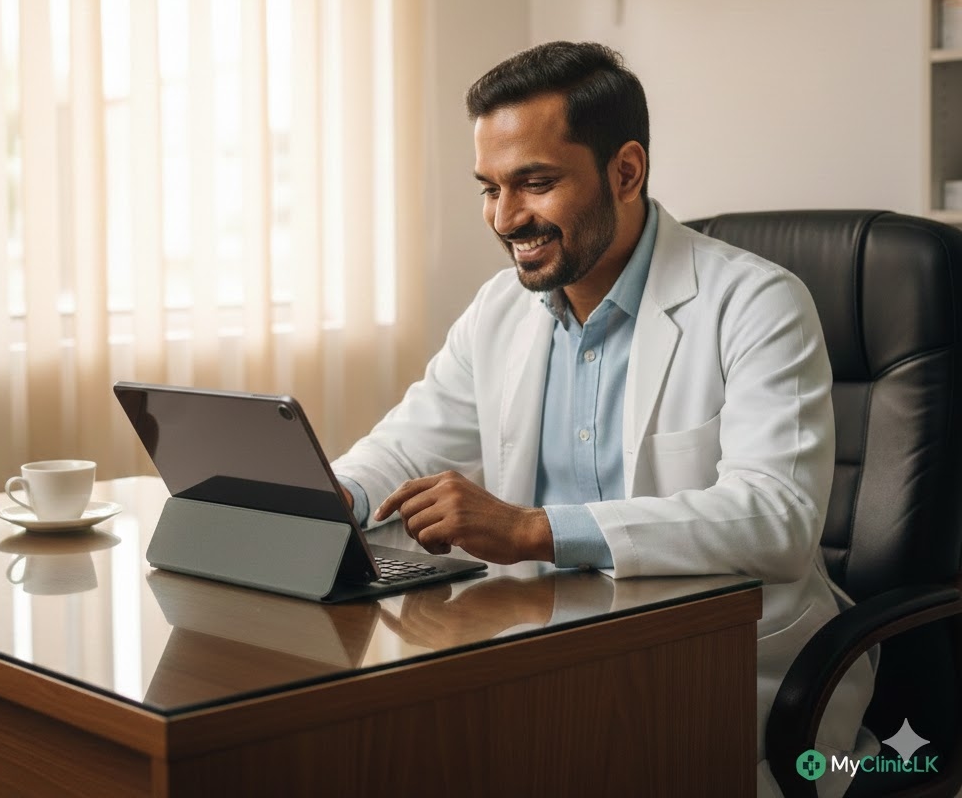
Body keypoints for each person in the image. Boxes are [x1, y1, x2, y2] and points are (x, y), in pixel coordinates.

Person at [333, 40, 876, 796]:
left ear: (625, 172)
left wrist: (533, 530)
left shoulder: (757, 303)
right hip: (546, 656)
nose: (504, 217)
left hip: (723, 671)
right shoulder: (501, 311)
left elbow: (775, 517)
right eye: (489, 187)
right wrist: (333, 495)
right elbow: (406, 444)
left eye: (535, 183)